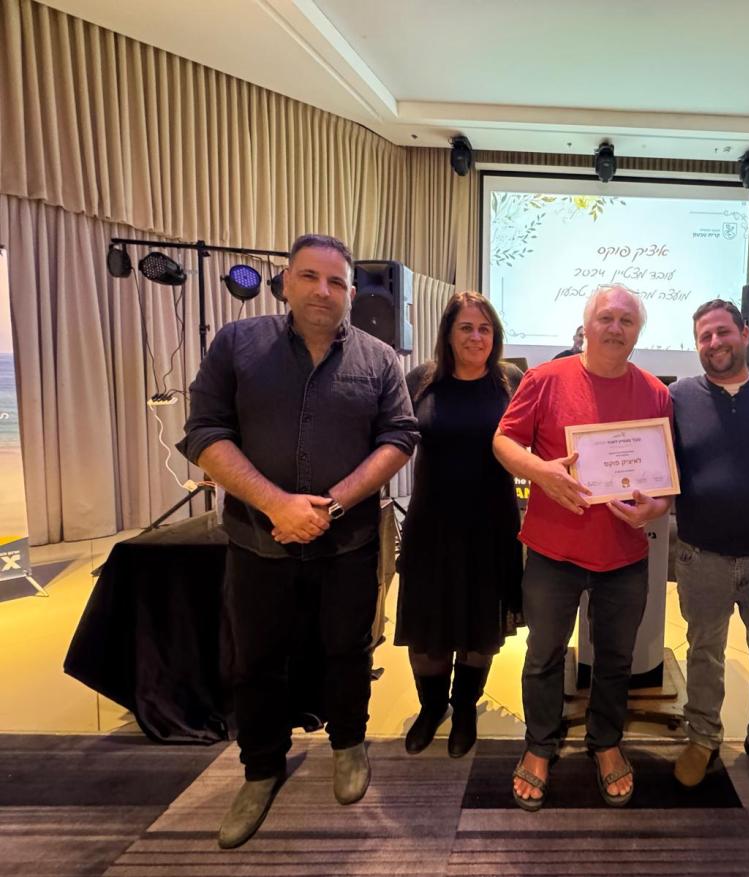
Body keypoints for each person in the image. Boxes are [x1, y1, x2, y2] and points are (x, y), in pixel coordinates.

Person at [178, 234, 419, 849]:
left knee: (348, 649)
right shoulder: (237, 344)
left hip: (350, 541)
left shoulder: (379, 358)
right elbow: (204, 432)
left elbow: (399, 436)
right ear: (286, 282)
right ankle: (260, 770)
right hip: (258, 539)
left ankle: (349, 745)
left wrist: (332, 504)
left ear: (351, 293)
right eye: (310, 277)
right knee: (255, 659)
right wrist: (276, 504)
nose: (322, 291)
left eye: (336, 282)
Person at [493, 284, 671, 810]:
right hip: (553, 551)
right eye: (606, 318)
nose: (616, 328)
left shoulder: (655, 393)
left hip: (624, 554)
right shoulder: (545, 379)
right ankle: (540, 744)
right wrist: (540, 471)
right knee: (544, 655)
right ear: (586, 324)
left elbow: (664, 480)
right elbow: (503, 441)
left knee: (616, 658)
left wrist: (657, 508)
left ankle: (606, 741)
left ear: (638, 332)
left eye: (627, 321)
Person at [668, 299, 749, 813]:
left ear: (745, 333)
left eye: (723, 332)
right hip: (699, 555)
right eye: (704, 336)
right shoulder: (676, 397)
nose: (714, 343)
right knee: (703, 652)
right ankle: (702, 738)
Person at [395, 292, 524, 758]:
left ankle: (465, 707)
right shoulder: (420, 380)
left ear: (496, 336)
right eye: (466, 327)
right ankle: (432, 709)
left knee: (480, 622)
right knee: (427, 624)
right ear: (448, 334)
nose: (476, 337)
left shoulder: (511, 381)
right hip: (431, 523)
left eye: (485, 329)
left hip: (492, 524)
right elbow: (391, 439)